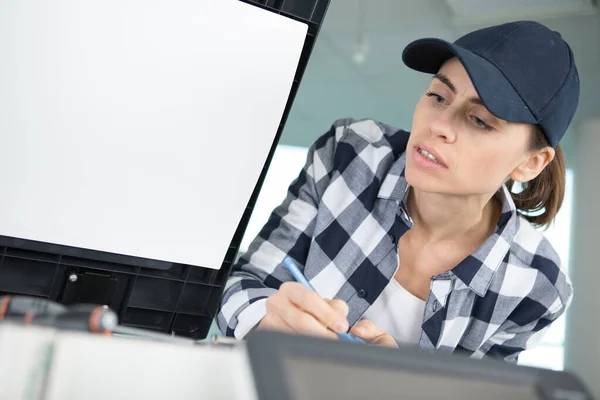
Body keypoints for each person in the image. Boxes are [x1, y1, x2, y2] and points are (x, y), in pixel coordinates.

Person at [217, 20, 579, 363]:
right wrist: (264, 319)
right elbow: (238, 286)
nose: (438, 125)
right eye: (438, 96)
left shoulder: (537, 285)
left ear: (531, 163)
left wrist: (399, 386)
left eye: (480, 121)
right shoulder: (349, 154)